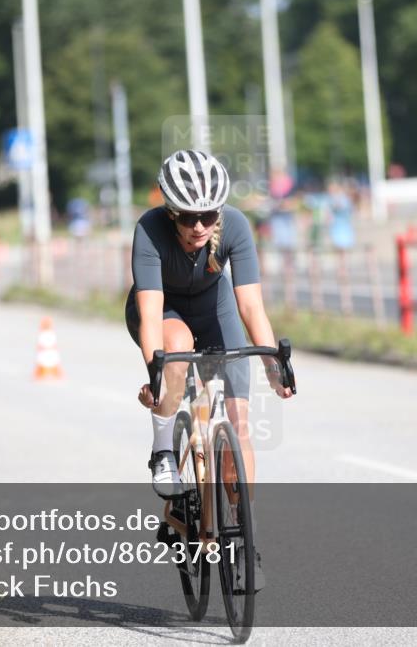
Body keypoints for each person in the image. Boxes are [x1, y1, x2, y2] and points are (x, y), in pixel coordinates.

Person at [127, 150, 295, 589]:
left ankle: (244, 537)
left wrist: (273, 364)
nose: (199, 226)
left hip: (214, 309)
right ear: (171, 211)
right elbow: (150, 315)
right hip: (164, 312)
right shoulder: (149, 230)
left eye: (208, 215)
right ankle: (164, 451)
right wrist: (155, 375)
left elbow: (250, 305)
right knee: (177, 347)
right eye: (188, 217)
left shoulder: (235, 225)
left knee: (238, 424)